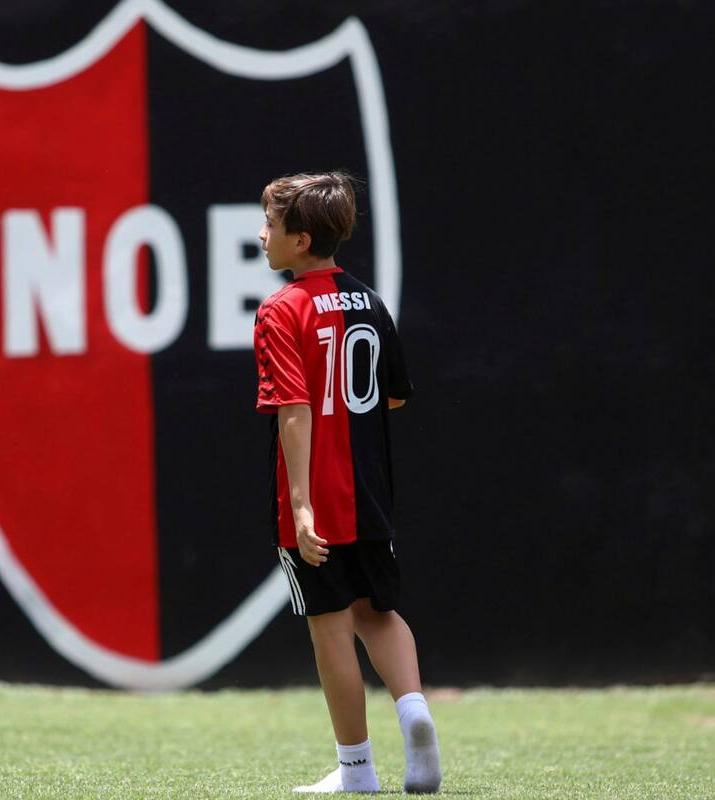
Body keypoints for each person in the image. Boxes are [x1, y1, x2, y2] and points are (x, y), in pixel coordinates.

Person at [253, 171, 442, 794]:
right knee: (379, 612)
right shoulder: (370, 300)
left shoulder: (282, 310)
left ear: (301, 240)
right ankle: (414, 711)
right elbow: (392, 399)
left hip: (321, 497)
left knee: (329, 623)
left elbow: (296, 411)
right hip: (371, 493)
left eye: (272, 226)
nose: (262, 235)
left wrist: (302, 505)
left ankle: (357, 770)